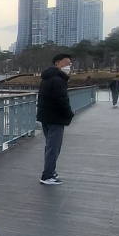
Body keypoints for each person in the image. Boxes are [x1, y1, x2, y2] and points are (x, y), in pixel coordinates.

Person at [37, 54, 73, 185]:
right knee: (54, 147)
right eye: (66, 63)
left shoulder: (47, 78)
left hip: (46, 116)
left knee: (50, 146)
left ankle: (50, 171)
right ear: (57, 63)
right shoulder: (58, 80)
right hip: (55, 117)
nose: (69, 66)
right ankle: (47, 175)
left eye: (70, 64)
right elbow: (61, 99)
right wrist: (69, 114)